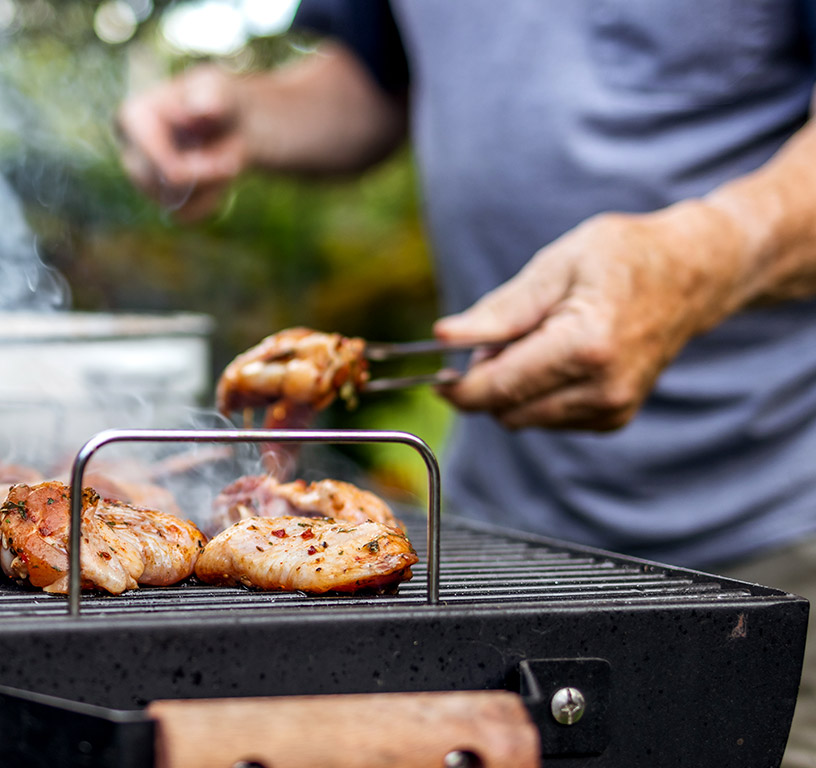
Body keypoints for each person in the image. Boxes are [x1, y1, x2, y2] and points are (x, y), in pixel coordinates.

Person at [116, 3, 816, 764]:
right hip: (500, 545)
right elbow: (379, 78)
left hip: (775, 538)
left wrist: (699, 261)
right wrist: (252, 110)